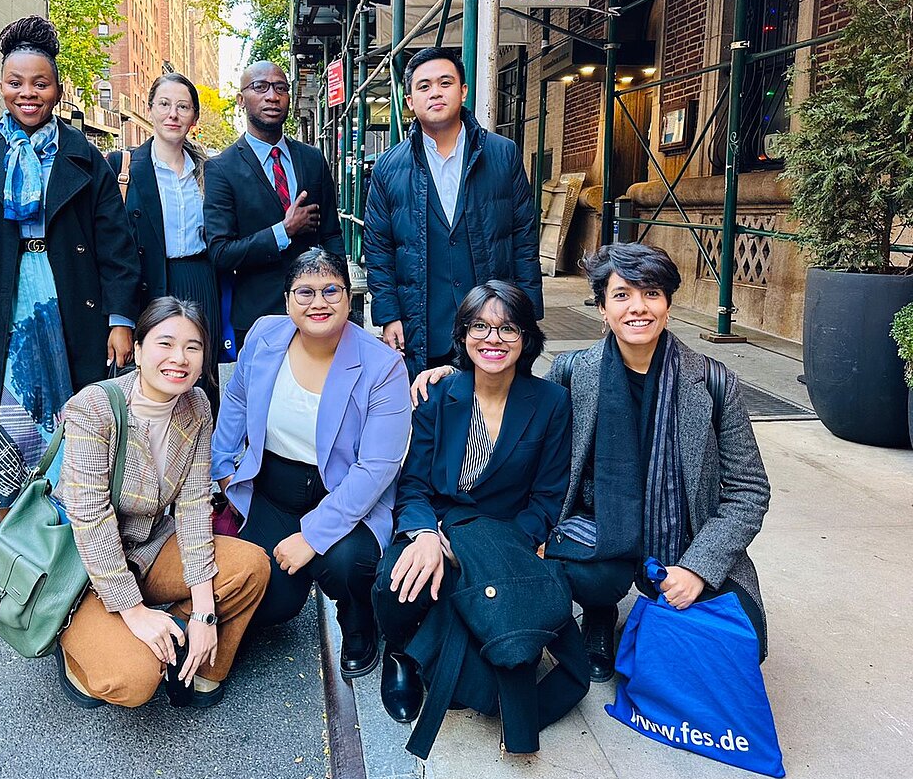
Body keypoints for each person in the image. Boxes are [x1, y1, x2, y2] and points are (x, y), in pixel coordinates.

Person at [542, 243, 772, 680]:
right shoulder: (573, 372)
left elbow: (749, 490)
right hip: (599, 524)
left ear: (668, 304)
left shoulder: (711, 380)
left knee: (742, 648)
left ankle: (661, 605)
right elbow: (517, 416)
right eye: (622, 295)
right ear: (602, 307)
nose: (638, 308)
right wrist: (453, 374)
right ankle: (599, 614)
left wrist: (698, 568)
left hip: (686, 533)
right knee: (593, 579)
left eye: (651, 294)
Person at [374, 282, 579, 747]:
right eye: (480, 327)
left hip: (504, 534)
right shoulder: (437, 395)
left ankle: (434, 654)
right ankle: (400, 652)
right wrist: (426, 532)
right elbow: (414, 485)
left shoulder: (550, 403)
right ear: (463, 335)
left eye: (508, 328)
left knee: (472, 612)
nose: (493, 339)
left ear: (527, 338)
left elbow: (547, 499)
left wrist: (492, 544)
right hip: (441, 523)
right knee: (397, 579)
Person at [0, 16, 140, 517]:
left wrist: (121, 320)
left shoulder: (84, 157)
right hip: (0, 314)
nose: (27, 93)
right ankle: (14, 567)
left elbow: (117, 247)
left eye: (40, 83)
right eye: (16, 83)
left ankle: (73, 569)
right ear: (0, 87)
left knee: (76, 434)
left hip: (70, 308)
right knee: (5, 436)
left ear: (58, 89)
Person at [55, 297, 271, 708]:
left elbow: (192, 505)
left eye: (193, 347)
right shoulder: (93, 408)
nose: (180, 358)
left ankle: (196, 662)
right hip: (84, 567)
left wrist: (205, 614)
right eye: (165, 344)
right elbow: (90, 519)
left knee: (252, 567)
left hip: (151, 547)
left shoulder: (196, 404)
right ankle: (77, 645)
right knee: (132, 679)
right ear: (136, 351)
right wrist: (134, 612)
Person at [212, 248, 411, 680]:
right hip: (274, 487)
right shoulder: (265, 336)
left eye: (330, 291)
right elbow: (237, 401)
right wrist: (223, 467)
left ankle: (358, 619)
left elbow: (378, 466)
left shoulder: (383, 365)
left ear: (350, 298)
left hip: (344, 493)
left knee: (345, 564)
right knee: (272, 600)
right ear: (286, 300)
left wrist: (312, 535)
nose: (317, 303)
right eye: (304, 292)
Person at [363, 46, 543, 379]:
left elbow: (523, 238)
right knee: (430, 416)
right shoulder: (389, 167)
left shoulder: (503, 154)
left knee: (493, 420)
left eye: (445, 83)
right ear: (409, 101)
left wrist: (528, 314)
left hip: (492, 322)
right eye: (424, 86)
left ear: (462, 91)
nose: (435, 93)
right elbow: (378, 249)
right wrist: (388, 315)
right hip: (423, 323)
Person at [204, 62, 346, 350]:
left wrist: (338, 292)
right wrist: (283, 231)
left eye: (281, 88)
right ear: (241, 100)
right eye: (261, 87)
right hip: (260, 318)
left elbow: (332, 234)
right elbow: (220, 252)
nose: (272, 96)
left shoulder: (312, 159)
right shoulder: (221, 168)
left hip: (319, 312)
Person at [106, 73, 222, 416]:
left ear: (194, 118)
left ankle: (200, 459)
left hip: (200, 281)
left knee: (199, 377)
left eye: (183, 106)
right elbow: (111, 247)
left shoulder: (210, 171)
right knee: (151, 381)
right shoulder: (123, 166)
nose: (173, 114)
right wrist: (119, 318)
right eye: (165, 104)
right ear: (151, 109)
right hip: (147, 283)